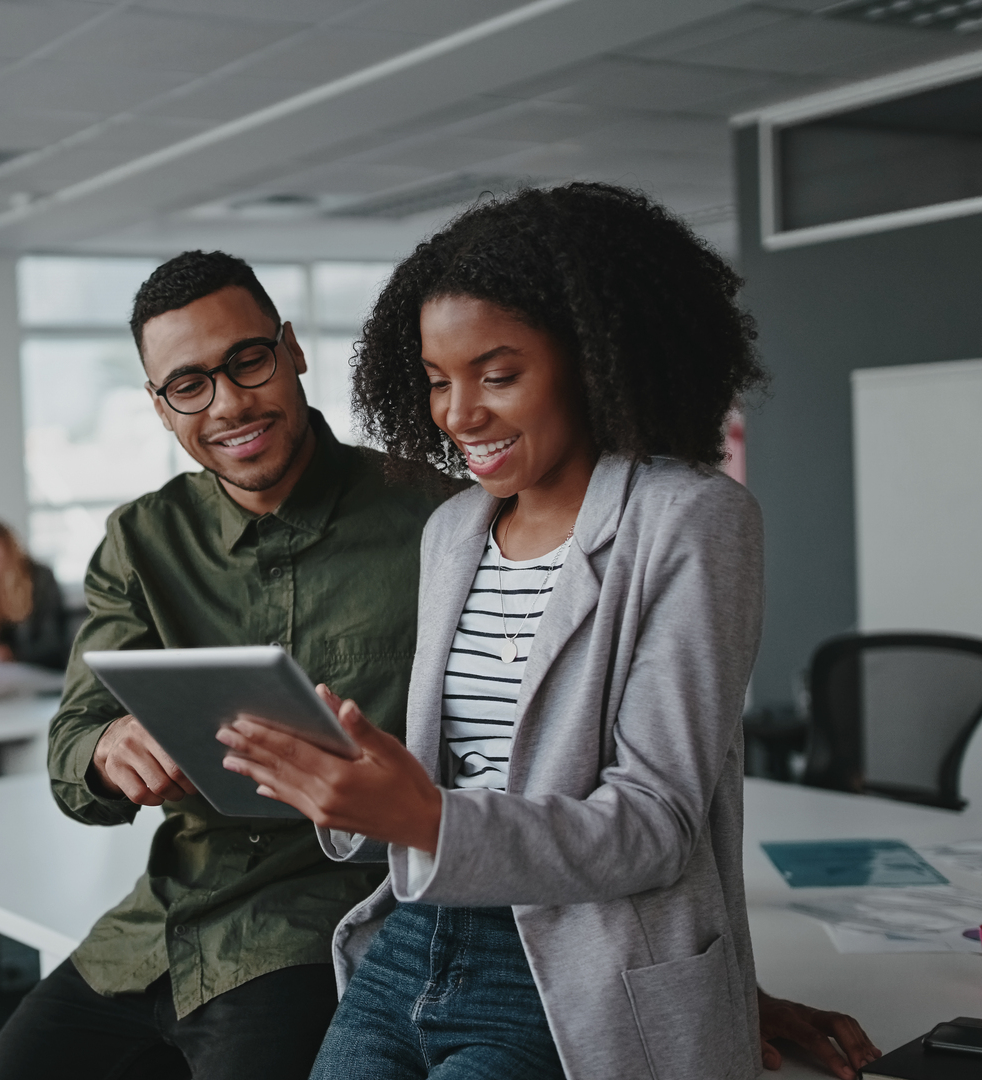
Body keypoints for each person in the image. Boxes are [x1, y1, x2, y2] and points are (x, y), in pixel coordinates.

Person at [0, 247, 880, 1080]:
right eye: (187, 386)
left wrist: (702, 989)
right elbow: (75, 743)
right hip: (170, 921)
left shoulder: (446, 514)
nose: (227, 403)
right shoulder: (143, 541)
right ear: (158, 402)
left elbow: (636, 788)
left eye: (246, 362)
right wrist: (104, 752)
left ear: (291, 350)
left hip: (326, 921)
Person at [216, 183, 878, 1080]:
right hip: (417, 937)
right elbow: (453, 792)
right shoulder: (453, 530)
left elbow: (654, 826)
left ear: (596, 360)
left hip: (568, 965)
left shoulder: (691, 520)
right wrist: (357, 786)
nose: (458, 415)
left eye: (498, 374)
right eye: (438, 381)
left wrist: (427, 814)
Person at [0, 513, 70, 671]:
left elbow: (54, 645)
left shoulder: (40, 578)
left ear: (4, 539)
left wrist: (13, 655)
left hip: (42, 675)